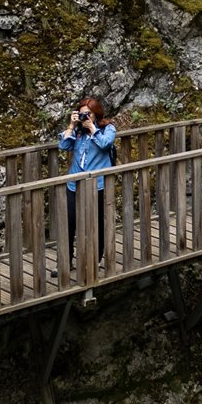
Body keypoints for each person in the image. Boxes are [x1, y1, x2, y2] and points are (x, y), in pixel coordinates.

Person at [54, 96, 116, 276]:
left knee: (96, 223)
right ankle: (65, 262)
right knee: (68, 223)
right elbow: (63, 145)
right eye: (81, 114)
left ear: (96, 114)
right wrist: (72, 126)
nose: (84, 117)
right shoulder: (78, 131)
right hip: (74, 184)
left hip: (97, 184)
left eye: (87, 114)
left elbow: (105, 144)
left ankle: (95, 260)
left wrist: (93, 129)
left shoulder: (108, 128)